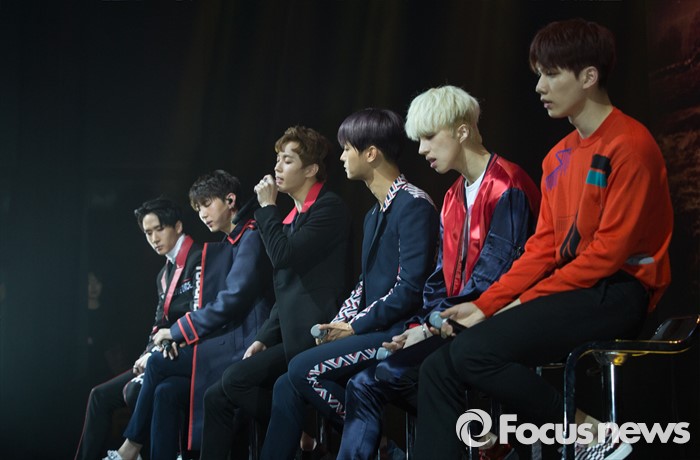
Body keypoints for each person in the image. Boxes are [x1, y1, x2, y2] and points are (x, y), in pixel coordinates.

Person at [413, 18, 673, 460]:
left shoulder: (630, 144)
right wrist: (486, 305)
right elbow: (543, 248)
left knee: (473, 351)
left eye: (551, 74)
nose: (539, 87)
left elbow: (607, 255)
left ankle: (589, 432)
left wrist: (518, 303)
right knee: (437, 367)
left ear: (588, 76)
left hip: (619, 292)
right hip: (573, 291)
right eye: (539, 74)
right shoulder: (557, 156)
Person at [336, 87, 541, 460]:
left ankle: (485, 440)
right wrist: (422, 324)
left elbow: (494, 277)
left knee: (398, 372)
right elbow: (438, 278)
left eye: (429, 137)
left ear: (462, 131)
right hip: (452, 321)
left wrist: (430, 327)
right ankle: (484, 439)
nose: (421, 149)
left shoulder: (507, 185)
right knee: (365, 382)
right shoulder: (452, 197)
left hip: (496, 318)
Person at [260, 108, 441, 460]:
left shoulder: (414, 204)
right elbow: (364, 283)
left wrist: (355, 327)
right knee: (286, 383)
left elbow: (409, 289)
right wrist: (341, 322)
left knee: (302, 369)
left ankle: (385, 448)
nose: (342, 157)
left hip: (403, 331)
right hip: (376, 328)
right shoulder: (374, 213)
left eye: (346, 149)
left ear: (370, 153)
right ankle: (383, 446)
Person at [199, 126, 352, 459]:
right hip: (290, 334)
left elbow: (283, 257)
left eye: (287, 160)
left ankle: (307, 433)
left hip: (316, 334)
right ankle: (304, 436)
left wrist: (268, 207)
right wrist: (264, 338)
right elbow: (285, 289)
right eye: (278, 159)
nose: (277, 167)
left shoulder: (328, 208)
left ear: (311, 170)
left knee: (237, 380)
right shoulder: (293, 217)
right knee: (216, 395)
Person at [104, 171, 274, 460]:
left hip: (242, 341)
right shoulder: (231, 241)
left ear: (230, 200)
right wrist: (174, 338)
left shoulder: (250, 235)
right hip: (224, 338)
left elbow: (231, 299)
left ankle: (131, 447)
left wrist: (177, 332)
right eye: (198, 208)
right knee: (165, 391)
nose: (203, 214)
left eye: (206, 204)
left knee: (156, 363)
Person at [75, 197, 202, 460]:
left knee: (135, 391)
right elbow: (158, 324)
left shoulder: (200, 257)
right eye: (148, 233)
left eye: (159, 229)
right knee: (99, 395)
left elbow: (202, 314)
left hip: (190, 351)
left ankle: (134, 450)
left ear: (178, 226)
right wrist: (149, 351)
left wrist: (169, 342)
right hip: (163, 352)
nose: (154, 238)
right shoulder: (163, 275)